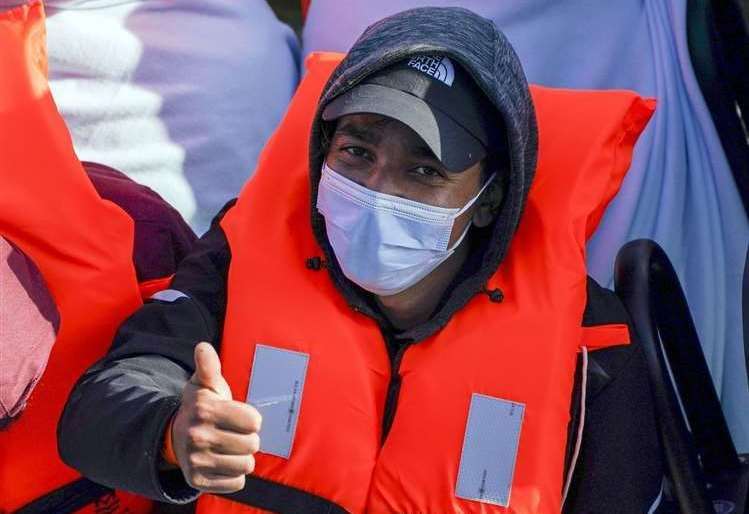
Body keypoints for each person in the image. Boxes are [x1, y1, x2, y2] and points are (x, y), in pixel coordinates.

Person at [58, 7, 664, 513]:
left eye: (425, 171)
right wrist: (172, 435)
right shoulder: (239, 261)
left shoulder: (593, 348)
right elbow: (97, 410)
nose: (379, 189)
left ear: (489, 200)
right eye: (356, 151)